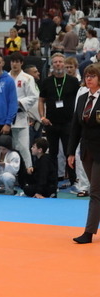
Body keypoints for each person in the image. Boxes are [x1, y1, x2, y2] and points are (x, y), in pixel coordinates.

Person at [67, 65, 100, 244]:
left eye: (93, 76)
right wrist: (71, 152)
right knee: (97, 192)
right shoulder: (82, 99)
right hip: (86, 150)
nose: (89, 79)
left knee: (94, 192)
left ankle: (88, 232)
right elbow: (75, 127)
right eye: (87, 75)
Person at [39, 53, 80, 186]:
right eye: (55, 62)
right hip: (51, 123)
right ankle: (53, 180)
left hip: (69, 123)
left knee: (70, 152)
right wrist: (42, 117)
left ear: (64, 64)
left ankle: (73, 180)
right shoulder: (46, 81)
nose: (58, 64)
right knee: (53, 153)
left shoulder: (73, 81)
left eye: (60, 62)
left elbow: (79, 100)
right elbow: (41, 101)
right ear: (52, 65)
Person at [8, 52, 39, 181]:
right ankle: (10, 175)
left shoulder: (27, 78)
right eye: (13, 61)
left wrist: (19, 102)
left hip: (20, 115)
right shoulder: (5, 77)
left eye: (17, 61)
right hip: (5, 118)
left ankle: (28, 175)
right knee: (9, 147)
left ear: (21, 63)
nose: (14, 64)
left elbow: (34, 96)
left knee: (24, 148)